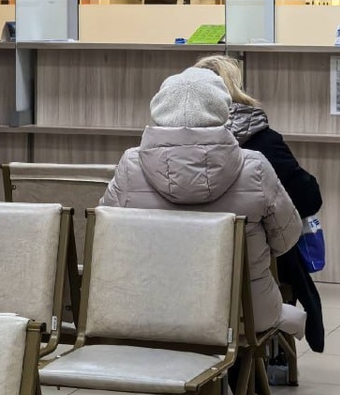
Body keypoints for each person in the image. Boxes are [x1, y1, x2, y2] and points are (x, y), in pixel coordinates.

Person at [100, 67, 305, 336]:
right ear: (222, 110)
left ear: (159, 108)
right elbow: (286, 239)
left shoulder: (130, 165)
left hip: (148, 309)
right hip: (242, 314)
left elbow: (106, 238)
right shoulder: (255, 167)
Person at [195, 54, 326, 354]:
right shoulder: (263, 145)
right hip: (252, 286)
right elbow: (308, 199)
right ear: (236, 90)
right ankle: (272, 357)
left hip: (180, 277)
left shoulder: (157, 149)